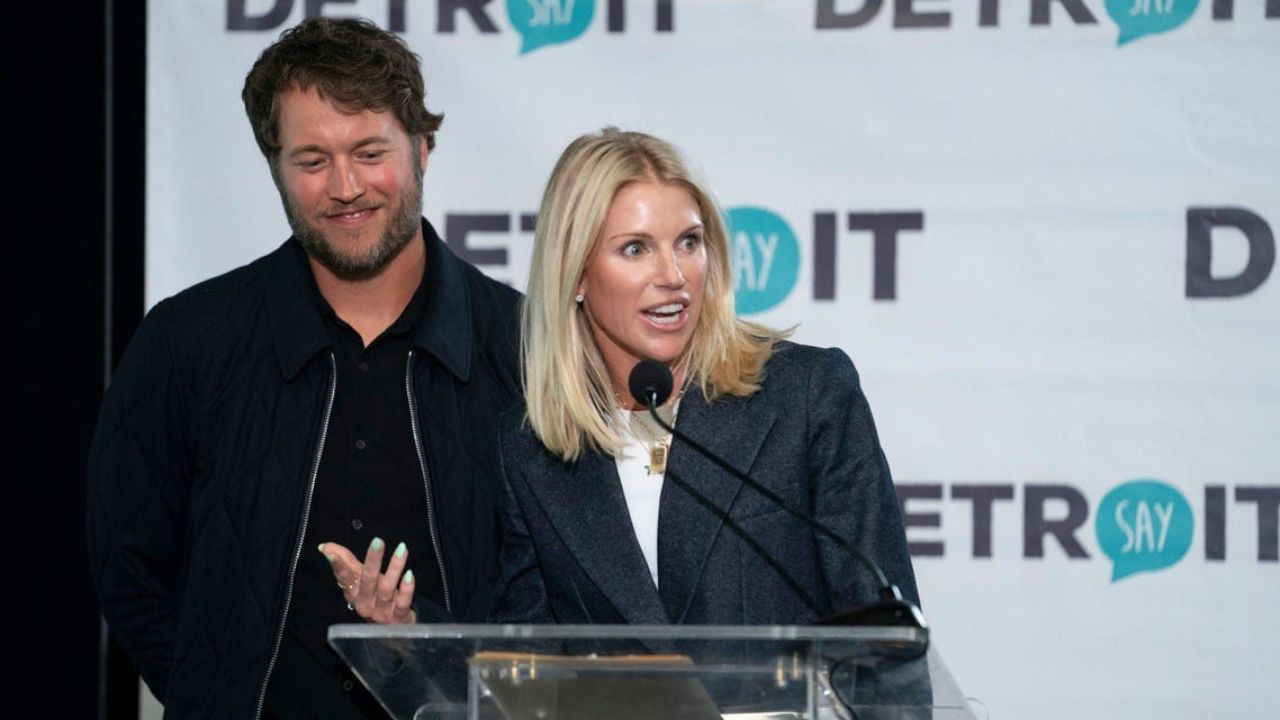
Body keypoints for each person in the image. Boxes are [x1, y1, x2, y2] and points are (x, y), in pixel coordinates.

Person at [87, 18, 521, 718]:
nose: (345, 187)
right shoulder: (188, 340)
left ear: (423, 148)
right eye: (312, 161)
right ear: (275, 167)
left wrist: (436, 659)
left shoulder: (525, 347)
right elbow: (129, 566)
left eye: (370, 152)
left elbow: (554, 587)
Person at [493, 128, 918, 628]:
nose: (673, 274)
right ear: (577, 275)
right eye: (635, 249)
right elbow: (527, 667)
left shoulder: (807, 395)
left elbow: (885, 639)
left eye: (689, 242)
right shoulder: (529, 452)